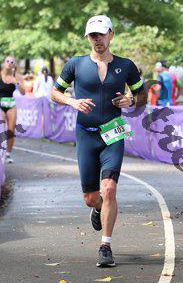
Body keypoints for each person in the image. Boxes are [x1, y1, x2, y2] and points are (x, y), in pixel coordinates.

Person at [51, 14, 147, 267]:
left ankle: (105, 246)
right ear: (88, 38)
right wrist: (71, 101)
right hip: (86, 134)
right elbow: (55, 92)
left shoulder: (126, 66)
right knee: (92, 198)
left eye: (101, 34)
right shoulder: (75, 64)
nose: (97, 40)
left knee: (110, 189)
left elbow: (142, 97)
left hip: (113, 133)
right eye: (93, 35)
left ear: (111, 34)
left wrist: (130, 100)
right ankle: (98, 208)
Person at [0, 55, 25, 163]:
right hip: (0, 104)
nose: (9, 63)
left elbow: (23, 92)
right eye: (7, 61)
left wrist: (17, 83)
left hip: (11, 104)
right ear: (4, 63)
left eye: (11, 61)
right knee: (1, 129)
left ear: (14, 64)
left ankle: (8, 154)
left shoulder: (17, 76)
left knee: (11, 130)